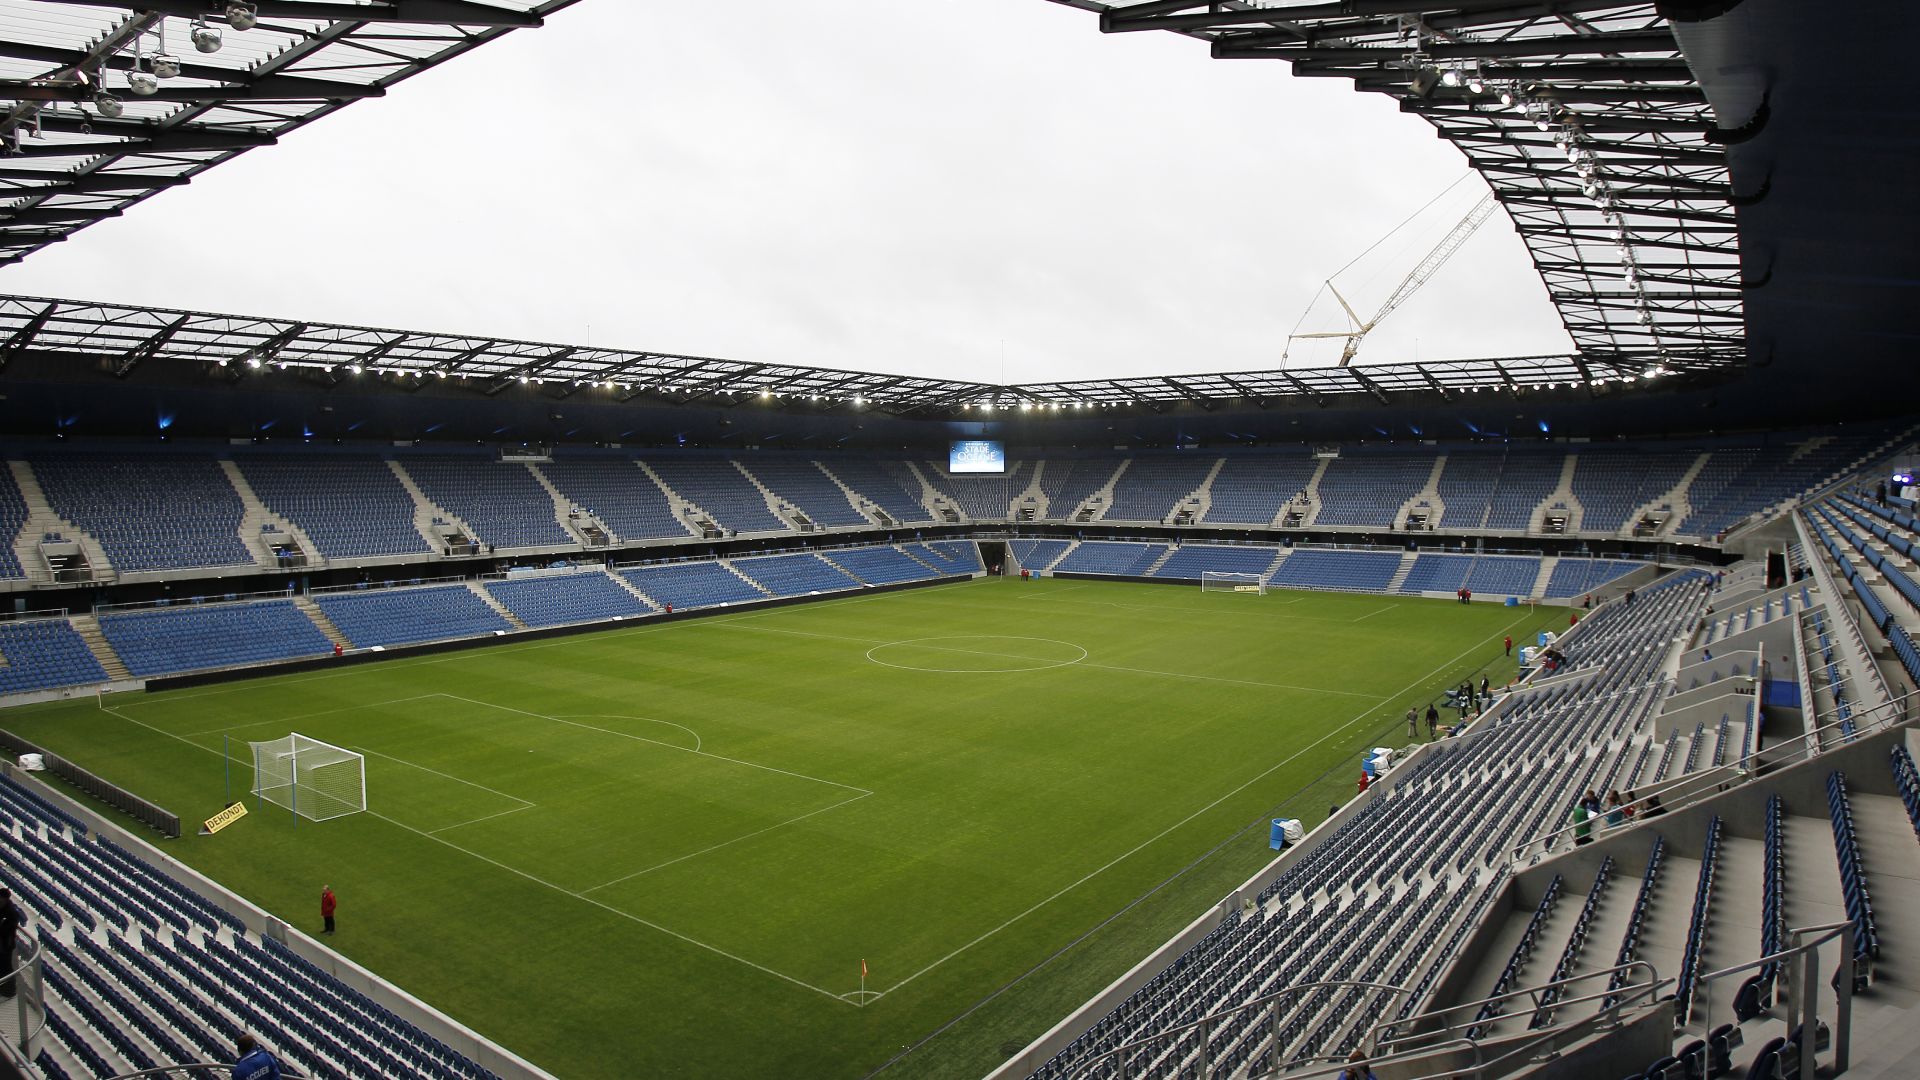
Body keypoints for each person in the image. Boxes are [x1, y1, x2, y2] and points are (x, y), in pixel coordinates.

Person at [1, 887, 16, 998]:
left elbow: (8, 929)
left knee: (6, 967)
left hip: (5, 945)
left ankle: (9, 990)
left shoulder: (11, 913)